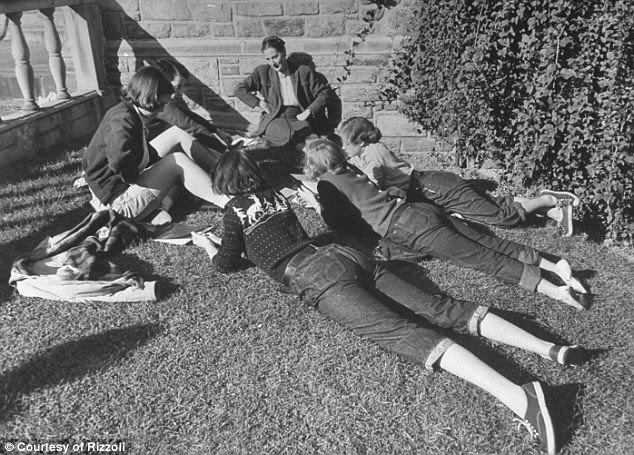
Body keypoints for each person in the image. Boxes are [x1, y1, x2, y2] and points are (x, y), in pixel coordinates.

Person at [193, 149, 582, 455]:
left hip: (312, 276)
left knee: (404, 334)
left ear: (224, 183)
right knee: (440, 307)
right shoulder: (276, 195)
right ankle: (548, 348)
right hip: (342, 253)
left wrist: (206, 244)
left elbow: (227, 263)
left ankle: (521, 396)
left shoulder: (233, 211)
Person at [298, 137, 589, 311]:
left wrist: (316, 204)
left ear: (315, 165)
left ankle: (556, 291)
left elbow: (338, 222)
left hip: (407, 228)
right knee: (489, 243)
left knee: (483, 260)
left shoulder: (326, 184)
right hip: (420, 211)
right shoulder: (349, 168)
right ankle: (555, 267)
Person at [337, 117, 581, 236]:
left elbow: (374, 185)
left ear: (360, 141)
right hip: (432, 185)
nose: (344, 150)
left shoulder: (374, 153)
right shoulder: (364, 154)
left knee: (499, 218)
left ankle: (548, 199)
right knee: (491, 207)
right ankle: (554, 211)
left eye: (346, 145)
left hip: (432, 188)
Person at [82, 66, 229, 226]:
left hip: (116, 186)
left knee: (176, 134)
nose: (163, 109)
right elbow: (119, 161)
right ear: (149, 98)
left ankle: (229, 175)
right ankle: (229, 202)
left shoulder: (127, 110)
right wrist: (141, 178)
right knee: (177, 161)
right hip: (118, 202)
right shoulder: (122, 119)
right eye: (162, 104)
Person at [233, 36, 330, 151]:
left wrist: (309, 110)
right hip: (275, 117)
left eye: (275, 57)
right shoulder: (262, 72)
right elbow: (239, 89)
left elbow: (324, 93)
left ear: (283, 53)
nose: (272, 63)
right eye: (268, 59)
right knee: (281, 133)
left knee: (304, 131)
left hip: (298, 117)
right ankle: (302, 148)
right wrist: (260, 103)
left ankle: (272, 143)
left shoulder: (303, 71)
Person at [144, 58, 234, 152]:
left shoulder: (161, 97)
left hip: (155, 147)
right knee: (182, 136)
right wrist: (225, 151)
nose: (180, 92)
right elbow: (193, 128)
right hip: (149, 154)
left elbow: (189, 115)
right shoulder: (162, 104)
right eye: (177, 87)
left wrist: (216, 130)